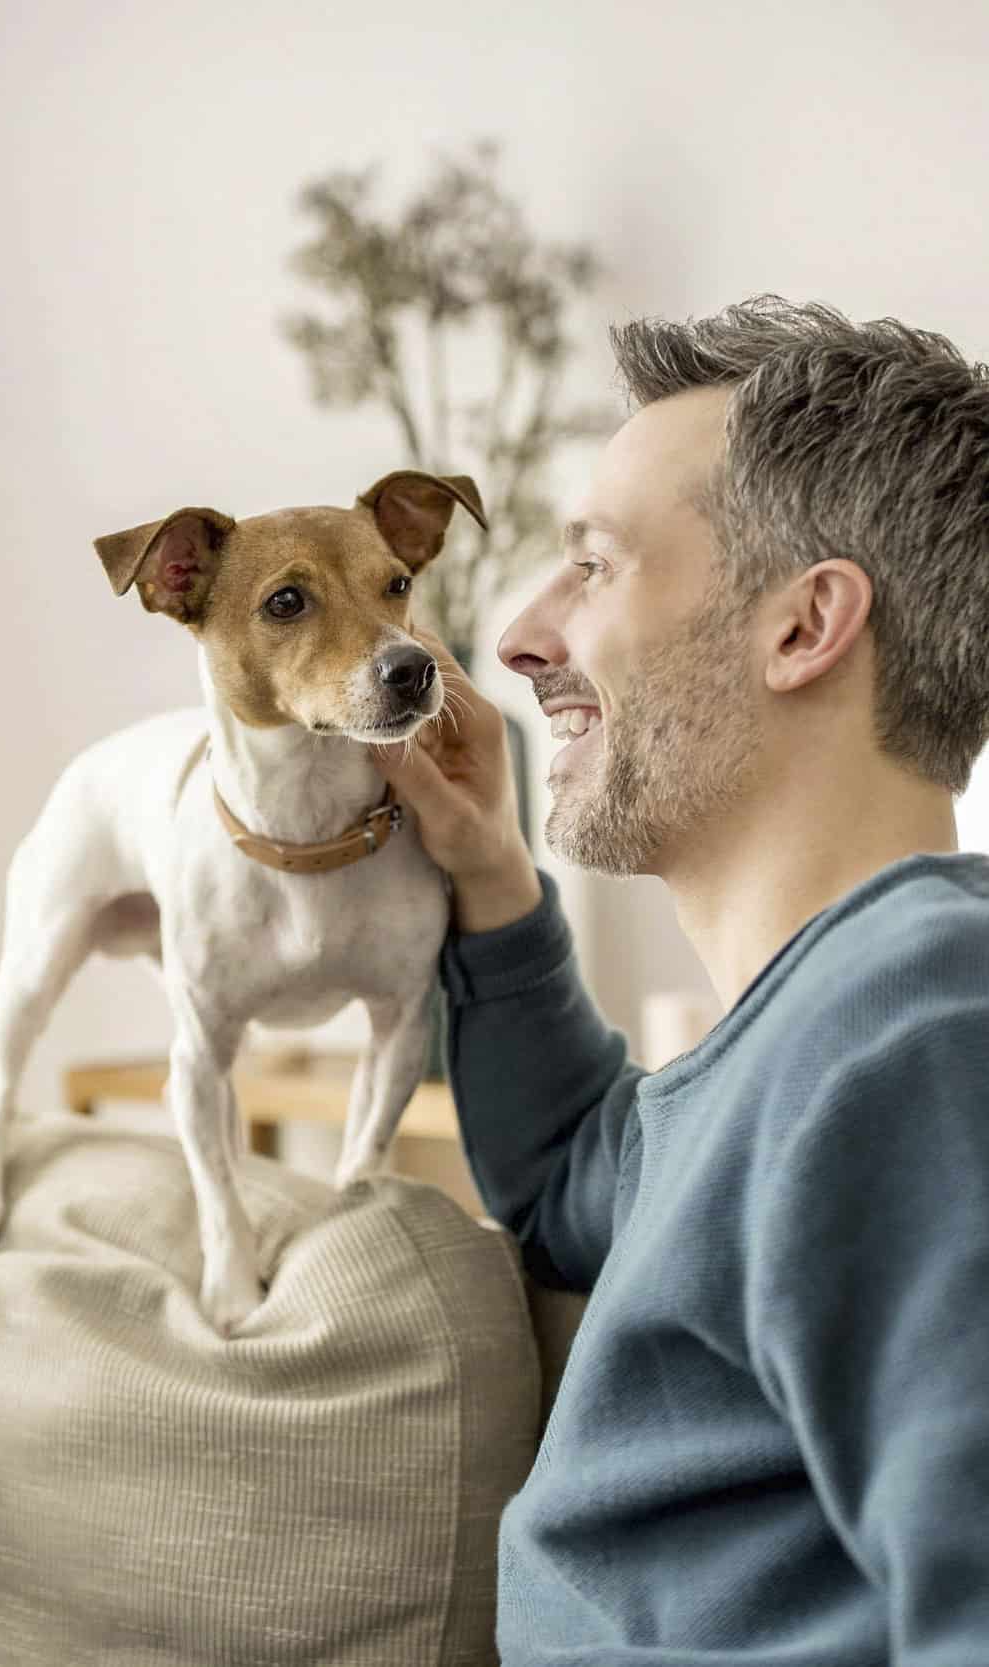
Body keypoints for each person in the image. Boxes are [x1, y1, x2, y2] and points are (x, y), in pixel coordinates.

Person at [370, 293, 989, 1666]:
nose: (523, 637)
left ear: (803, 624)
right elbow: (564, 1174)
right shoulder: (812, 1044)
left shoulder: (923, 1036)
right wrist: (490, 875)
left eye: (592, 565)